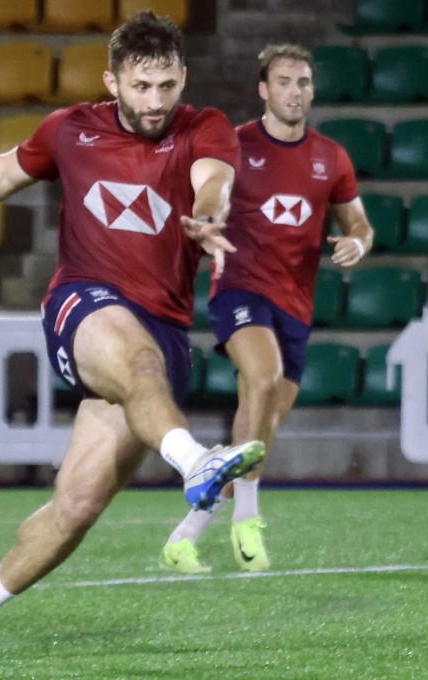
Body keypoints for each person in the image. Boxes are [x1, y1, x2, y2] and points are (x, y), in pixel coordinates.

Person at [0, 12, 266, 665]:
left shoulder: (206, 127)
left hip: (163, 330)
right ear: (112, 80)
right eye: (141, 87)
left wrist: (208, 214)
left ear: (183, 77)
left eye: (167, 85)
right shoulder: (72, 129)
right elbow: (3, 171)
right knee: (132, 356)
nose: (156, 101)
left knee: (75, 508)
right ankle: (197, 462)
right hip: (81, 303)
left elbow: (214, 180)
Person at [159, 44, 374, 574]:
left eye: (302, 82)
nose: (294, 92)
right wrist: (207, 216)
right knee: (262, 380)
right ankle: (248, 519)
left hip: (296, 305)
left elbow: (359, 224)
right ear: (263, 89)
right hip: (239, 289)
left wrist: (358, 244)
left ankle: (184, 538)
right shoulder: (234, 145)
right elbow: (213, 191)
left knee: (259, 423)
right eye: (283, 82)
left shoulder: (332, 157)